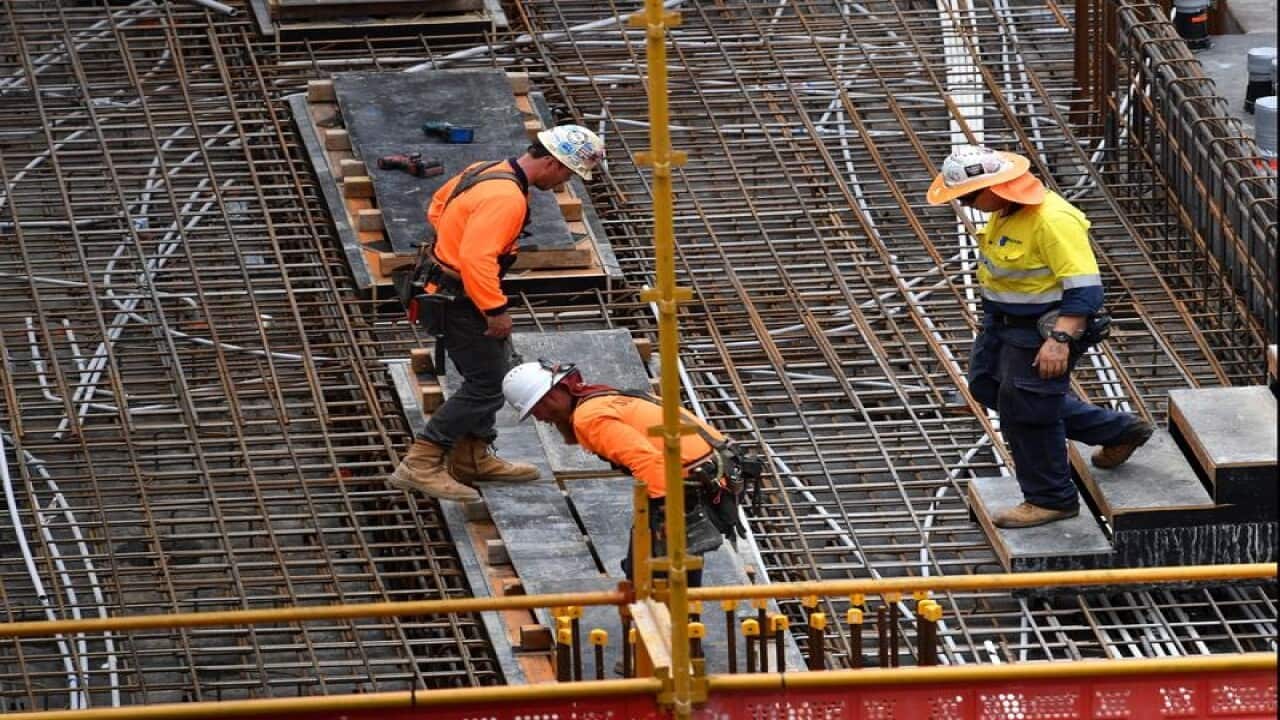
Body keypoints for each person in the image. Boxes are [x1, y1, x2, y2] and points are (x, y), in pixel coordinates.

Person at [927, 145, 1154, 529]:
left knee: (1028, 411)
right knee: (988, 386)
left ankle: (1051, 499)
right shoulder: (1007, 210)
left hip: (1044, 330)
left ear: (996, 187)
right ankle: (1118, 430)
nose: (964, 204)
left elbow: (1085, 289)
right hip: (1003, 322)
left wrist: (1060, 340)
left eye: (969, 196)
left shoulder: (1052, 220)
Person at [388, 126, 606, 502]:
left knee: (496, 373)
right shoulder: (507, 198)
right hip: (461, 301)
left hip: (444, 290)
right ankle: (420, 462)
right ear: (552, 163)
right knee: (486, 385)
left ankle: (472, 456)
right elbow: (477, 259)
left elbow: (438, 206)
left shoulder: (485, 169)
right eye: (567, 174)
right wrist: (495, 310)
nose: (564, 183)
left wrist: (459, 239)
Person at [501, 360, 757, 587]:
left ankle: (678, 619)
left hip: (688, 486)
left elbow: (648, 462)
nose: (540, 419)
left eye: (536, 410)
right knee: (661, 568)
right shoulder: (606, 398)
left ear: (551, 397)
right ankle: (680, 612)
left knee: (654, 573)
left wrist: (667, 514)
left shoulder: (589, 417)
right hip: (711, 475)